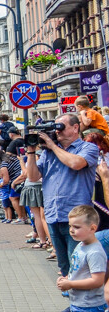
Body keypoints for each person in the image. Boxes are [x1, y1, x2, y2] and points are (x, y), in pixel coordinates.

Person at [24, 114, 100, 282]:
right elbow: (33, 176)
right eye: (55, 127)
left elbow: (76, 163)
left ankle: (83, 306)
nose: (57, 131)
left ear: (75, 128)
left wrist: (52, 145)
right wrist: (31, 151)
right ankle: (73, 303)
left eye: (61, 127)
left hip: (77, 217)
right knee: (64, 266)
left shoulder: (88, 148)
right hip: (54, 214)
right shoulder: (48, 153)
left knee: (78, 265)